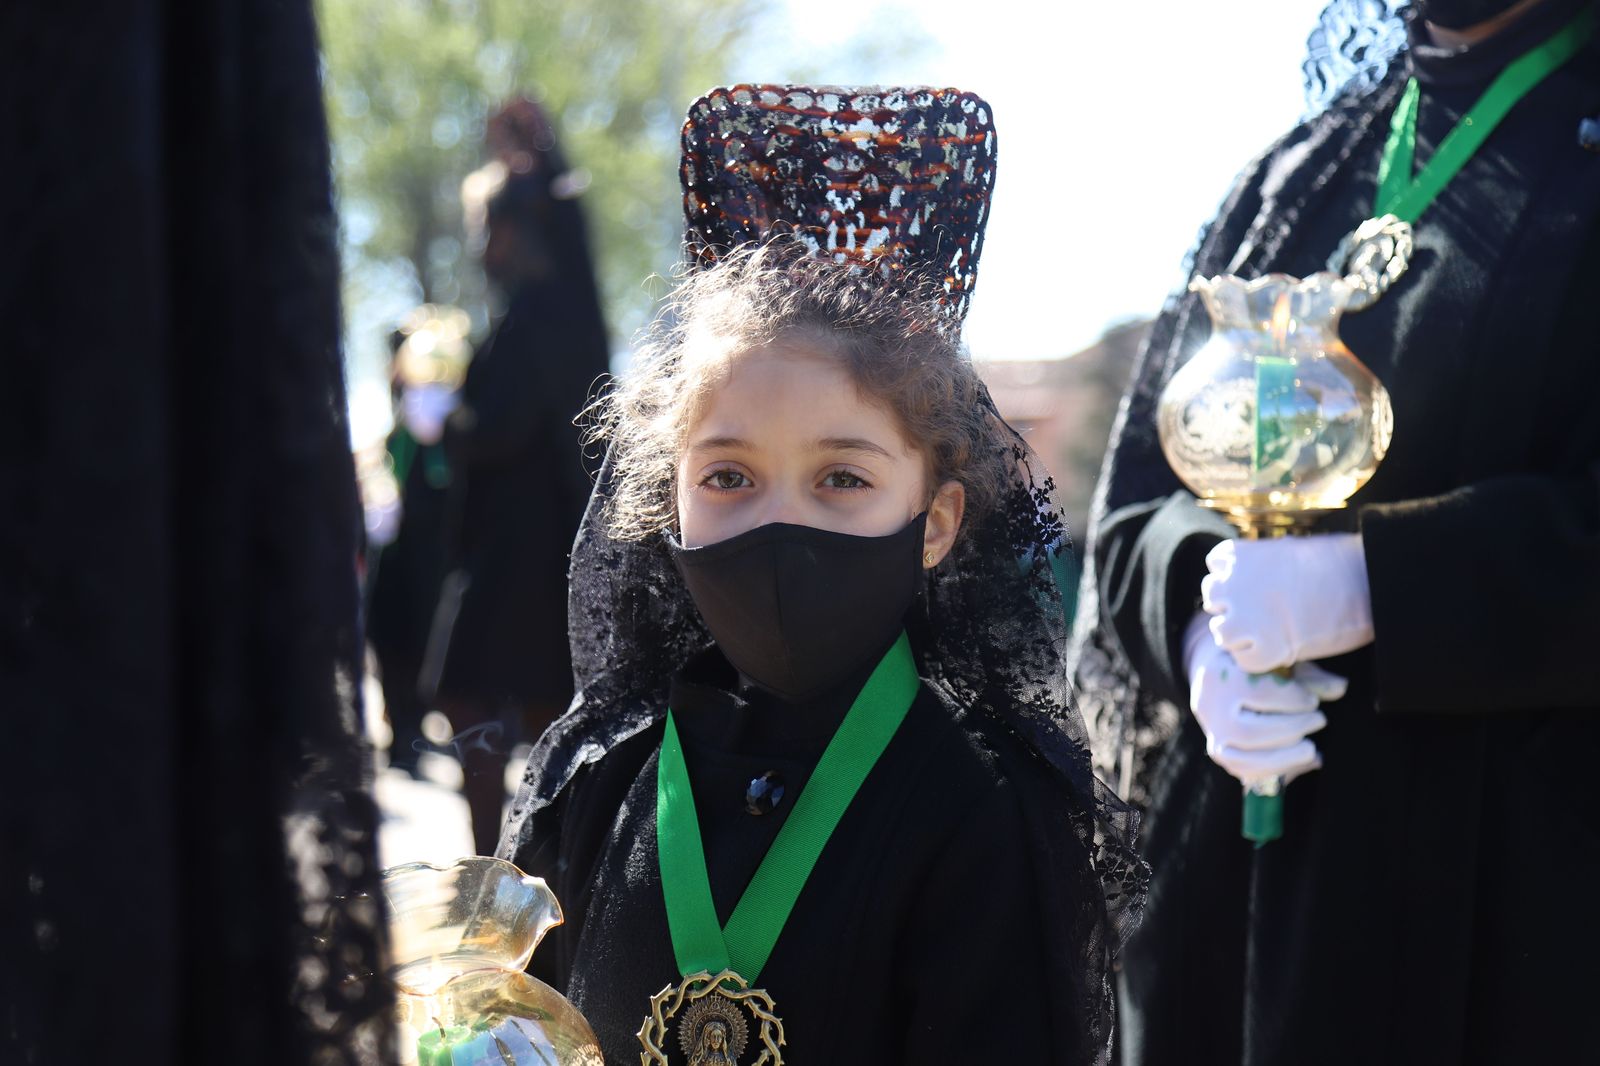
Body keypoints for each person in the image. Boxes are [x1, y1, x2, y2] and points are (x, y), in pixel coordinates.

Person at [498, 86, 1143, 1065]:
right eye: (727, 475)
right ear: (665, 503)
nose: (778, 522)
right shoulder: (600, 788)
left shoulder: (984, 811)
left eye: (841, 477)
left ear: (935, 523)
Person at [1071, 1, 1600, 1062]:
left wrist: (1378, 584)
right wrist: (1197, 621)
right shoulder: (1303, 169)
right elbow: (1136, 500)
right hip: (1223, 901)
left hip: (1505, 912)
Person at [427, 98, 611, 853]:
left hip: (522, 545)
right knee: (530, 707)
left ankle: (505, 870)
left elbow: (502, 427)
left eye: (488, 227)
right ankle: (528, 866)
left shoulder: (539, 318)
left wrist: (450, 426)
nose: (480, 244)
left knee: (484, 701)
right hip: (540, 542)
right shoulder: (557, 315)